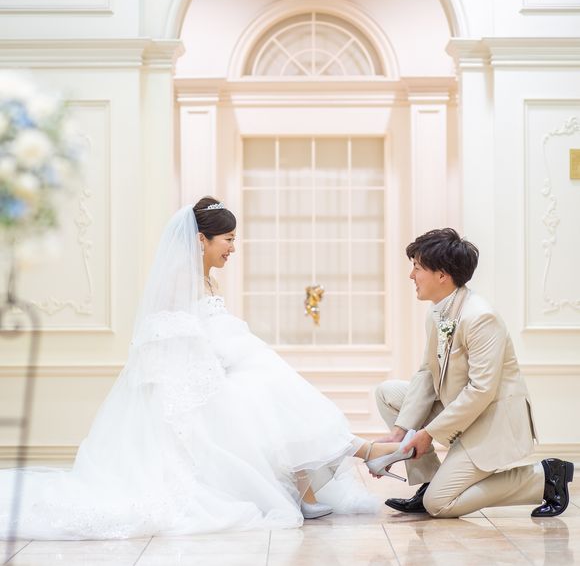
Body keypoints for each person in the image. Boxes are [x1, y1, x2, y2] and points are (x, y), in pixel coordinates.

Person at [0, 197, 410, 540]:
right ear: (201, 239)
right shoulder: (178, 281)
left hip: (221, 370)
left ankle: (328, 476)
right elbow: (163, 342)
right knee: (271, 387)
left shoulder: (209, 279)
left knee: (273, 383)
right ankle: (356, 458)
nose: (233, 248)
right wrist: (213, 367)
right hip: (192, 387)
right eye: (228, 240)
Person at [375, 228, 574, 518]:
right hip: (462, 410)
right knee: (387, 393)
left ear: (442, 275)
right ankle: (430, 482)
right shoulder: (437, 312)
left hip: (490, 422)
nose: (411, 275)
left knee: (438, 505)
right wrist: (399, 433)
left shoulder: (481, 317)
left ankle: (544, 476)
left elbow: (481, 391)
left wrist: (428, 434)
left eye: (417, 267)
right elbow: (427, 374)